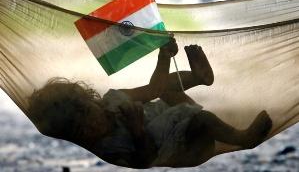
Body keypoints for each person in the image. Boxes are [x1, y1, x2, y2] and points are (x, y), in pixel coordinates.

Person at [28, 38, 272, 168]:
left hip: (174, 113)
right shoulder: (109, 148)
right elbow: (146, 160)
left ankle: (198, 78)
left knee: (165, 88)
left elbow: (152, 89)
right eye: (82, 130)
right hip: (186, 147)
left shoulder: (112, 100)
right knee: (204, 119)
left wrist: (163, 56)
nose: (92, 125)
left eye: (88, 113)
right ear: (76, 139)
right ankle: (243, 138)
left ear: (90, 100)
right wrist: (136, 130)